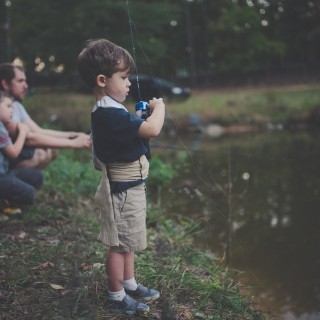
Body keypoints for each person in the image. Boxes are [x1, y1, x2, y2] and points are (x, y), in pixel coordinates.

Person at [77, 39, 165, 315]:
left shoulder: (111, 110)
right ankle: (116, 295)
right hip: (123, 190)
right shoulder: (108, 113)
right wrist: (159, 108)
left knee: (128, 240)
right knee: (118, 244)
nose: (129, 83)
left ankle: (129, 282)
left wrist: (138, 115)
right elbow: (151, 130)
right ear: (102, 80)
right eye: (124, 77)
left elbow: (130, 132)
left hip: (130, 186)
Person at [0, 63, 91, 169]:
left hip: (14, 154)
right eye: (20, 81)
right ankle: (14, 180)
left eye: (25, 81)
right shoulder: (3, 110)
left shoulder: (16, 105)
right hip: (7, 160)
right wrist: (73, 143)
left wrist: (75, 135)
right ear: (5, 84)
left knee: (51, 150)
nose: (26, 85)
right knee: (40, 154)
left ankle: (25, 182)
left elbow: (38, 131)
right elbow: (30, 139)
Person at [0, 91, 43, 222]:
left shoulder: (2, 126)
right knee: (28, 193)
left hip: (4, 174)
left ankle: (5, 203)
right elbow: (13, 153)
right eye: (8, 106)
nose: (11, 111)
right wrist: (23, 132)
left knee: (36, 176)